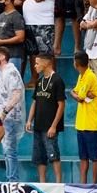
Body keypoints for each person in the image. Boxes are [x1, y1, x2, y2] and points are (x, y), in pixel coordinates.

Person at [25, 52, 65, 183]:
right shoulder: (40, 81)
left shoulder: (57, 80)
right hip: (39, 124)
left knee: (53, 154)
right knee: (39, 156)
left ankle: (58, 183)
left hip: (50, 126)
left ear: (46, 63)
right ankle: (42, 183)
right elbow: (35, 102)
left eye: (37, 63)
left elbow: (61, 105)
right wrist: (29, 120)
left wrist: (54, 126)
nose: (35, 66)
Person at [0, 46, 25, 181]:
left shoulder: (10, 72)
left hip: (9, 117)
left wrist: (5, 111)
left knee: (10, 150)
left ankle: (12, 180)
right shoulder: (1, 73)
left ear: (2, 57)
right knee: (7, 150)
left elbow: (16, 94)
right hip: (3, 117)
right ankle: (11, 178)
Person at [71, 51, 97, 184]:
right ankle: (83, 183)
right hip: (81, 122)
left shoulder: (90, 77)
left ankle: (94, 182)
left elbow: (79, 97)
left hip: (91, 123)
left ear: (76, 63)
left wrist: (77, 95)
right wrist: (77, 95)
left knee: (94, 156)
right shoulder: (81, 76)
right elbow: (75, 92)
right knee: (83, 156)